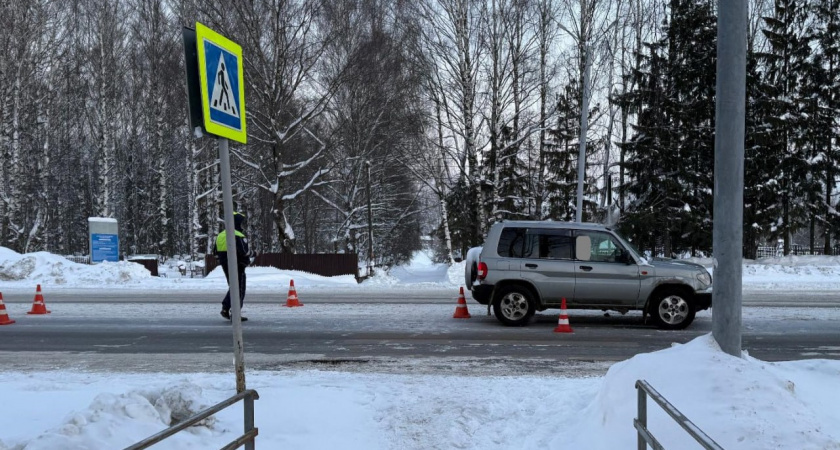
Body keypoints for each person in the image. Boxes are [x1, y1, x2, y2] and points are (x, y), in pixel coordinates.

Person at [215, 212, 253, 321]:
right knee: (239, 288)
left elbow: (215, 252)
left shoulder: (221, 235)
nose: (242, 225)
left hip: (225, 264)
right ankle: (235, 313)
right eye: (241, 223)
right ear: (236, 223)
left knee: (234, 286)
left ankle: (226, 308)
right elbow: (244, 252)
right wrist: (253, 253)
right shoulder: (237, 234)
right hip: (238, 265)